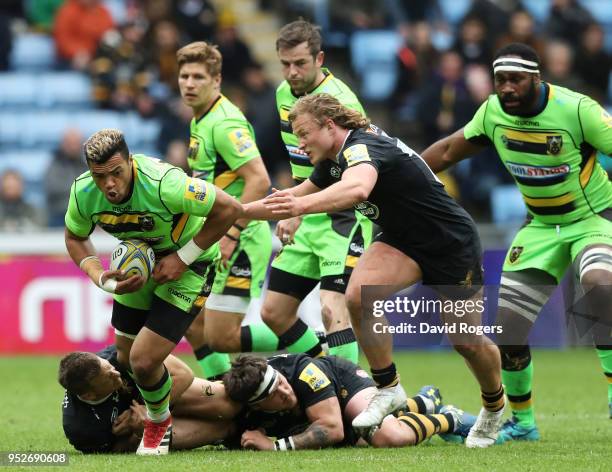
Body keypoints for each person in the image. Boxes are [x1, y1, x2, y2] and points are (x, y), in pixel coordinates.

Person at [244, 93, 505, 448]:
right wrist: (230, 211)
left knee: (467, 341)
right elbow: (291, 197)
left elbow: (358, 188)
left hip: (450, 244)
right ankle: (388, 388)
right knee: (358, 297)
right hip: (401, 239)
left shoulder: (362, 147)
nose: (299, 142)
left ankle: (493, 406)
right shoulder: (333, 160)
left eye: (304, 133)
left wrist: (301, 205)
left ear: (330, 125)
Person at [420, 42, 612, 441]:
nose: (506, 88)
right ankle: (524, 423)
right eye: (499, 79)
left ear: (536, 79)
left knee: (598, 282)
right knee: (509, 328)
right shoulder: (492, 112)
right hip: (540, 226)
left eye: (515, 79)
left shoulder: (579, 110)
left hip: (593, 218)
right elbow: (448, 150)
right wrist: (393, 176)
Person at [64, 128, 241, 455]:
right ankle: (186, 398)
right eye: (100, 177)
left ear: (131, 162)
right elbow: (75, 236)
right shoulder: (83, 192)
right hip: (138, 267)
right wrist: (100, 276)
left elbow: (229, 209)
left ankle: (158, 422)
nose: (110, 185)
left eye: (116, 173)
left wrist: (182, 258)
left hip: (190, 266)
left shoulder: (165, 184)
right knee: (125, 357)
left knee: (144, 361)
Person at [261, 19, 373, 365]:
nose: (292, 73)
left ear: (320, 59)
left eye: (300, 64)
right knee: (274, 312)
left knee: (331, 307)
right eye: (285, 64)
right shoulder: (283, 94)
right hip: (308, 211)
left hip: (344, 216)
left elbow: (360, 165)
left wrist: (298, 207)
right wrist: (299, 208)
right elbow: (303, 163)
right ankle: (329, 369)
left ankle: (347, 394)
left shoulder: (341, 102)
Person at [176, 41, 275, 381]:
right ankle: (221, 391)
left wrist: (232, 232)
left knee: (221, 336)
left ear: (216, 81)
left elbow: (259, 181)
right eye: (184, 76)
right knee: (191, 322)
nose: (189, 83)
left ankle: (311, 343)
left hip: (241, 240)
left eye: (198, 77)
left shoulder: (224, 123)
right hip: (214, 239)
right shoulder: (200, 120)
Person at [224, 354, 474, 450]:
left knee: (387, 436)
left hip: (342, 386)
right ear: (256, 405)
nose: (286, 393)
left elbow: (332, 429)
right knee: (360, 428)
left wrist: (275, 447)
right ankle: (423, 401)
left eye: (281, 382)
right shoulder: (244, 401)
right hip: (324, 413)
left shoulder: (304, 372)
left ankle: (448, 418)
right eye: (274, 395)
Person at [59, 346, 239, 453]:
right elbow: (113, 451)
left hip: (161, 396)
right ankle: (238, 432)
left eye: (110, 367)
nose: (115, 373)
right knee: (224, 428)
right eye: (109, 377)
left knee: (227, 404)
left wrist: (151, 411)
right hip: (142, 431)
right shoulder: (81, 428)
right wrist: (136, 433)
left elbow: (182, 375)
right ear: (89, 395)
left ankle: (258, 394)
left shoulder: (119, 354)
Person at [45, 128, 87, 227]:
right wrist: (81, 189)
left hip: (86, 213)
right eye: (69, 143)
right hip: (60, 214)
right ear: (63, 144)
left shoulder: (88, 162)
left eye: (75, 143)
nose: (72, 147)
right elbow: (53, 188)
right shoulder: (54, 164)